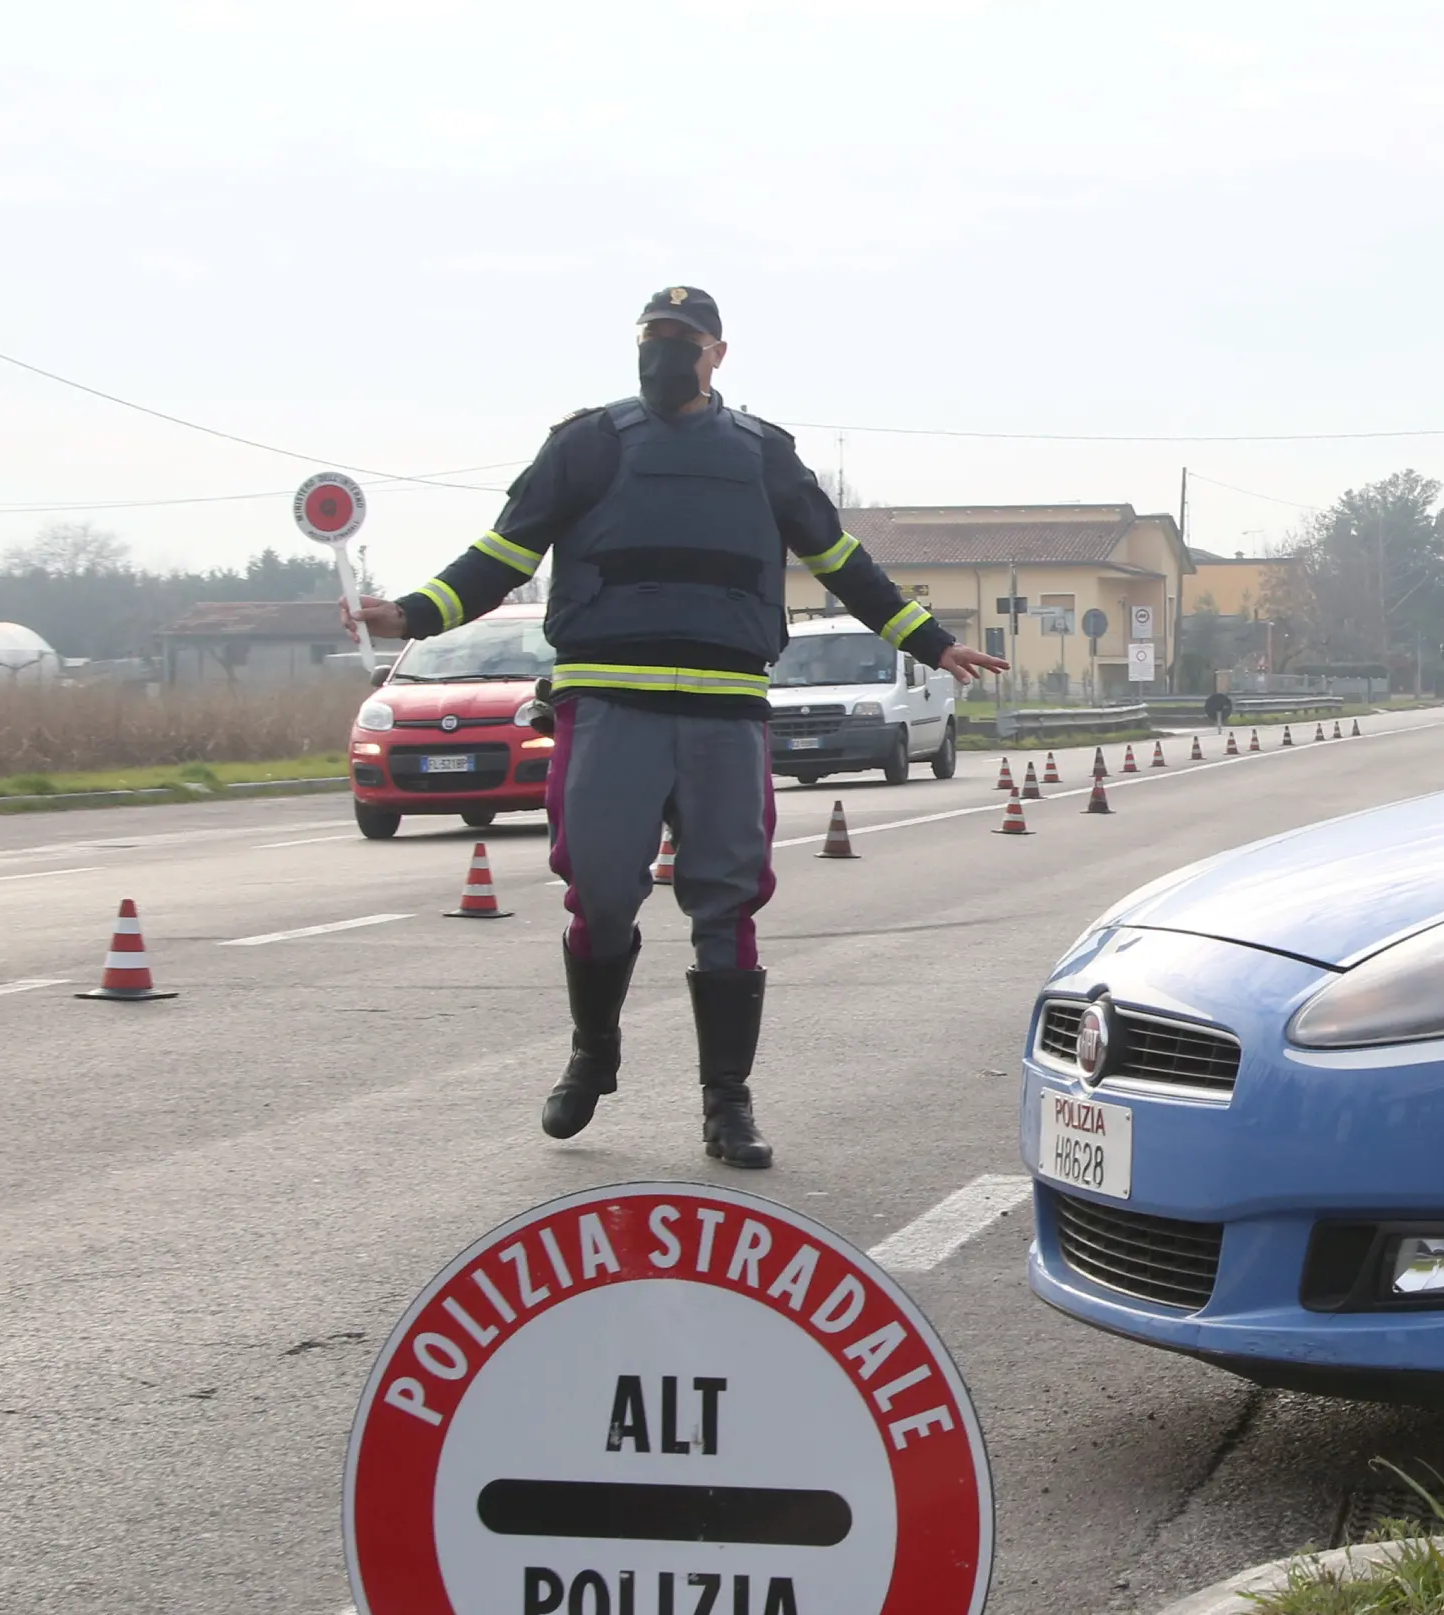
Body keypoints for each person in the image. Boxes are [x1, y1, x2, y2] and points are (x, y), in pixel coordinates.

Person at [359, 286, 1008, 1170]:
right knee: (599, 890)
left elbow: (839, 559)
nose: (665, 353)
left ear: (718, 353)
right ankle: (594, 1054)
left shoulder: (762, 454)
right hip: (608, 703)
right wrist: (411, 614)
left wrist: (928, 641)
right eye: (651, 338)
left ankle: (726, 1105)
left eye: (682, 340)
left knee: (726, 899)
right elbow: (504, 554)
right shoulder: (585, 443)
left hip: (723, 708)